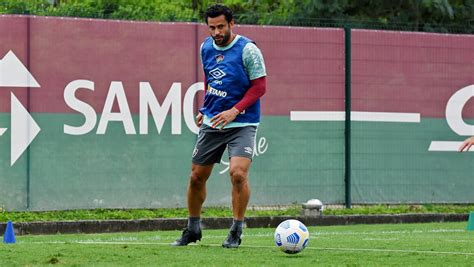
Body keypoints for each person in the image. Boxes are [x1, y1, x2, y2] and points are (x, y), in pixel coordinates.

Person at [171, 4, 267, 248]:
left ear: (232, 24)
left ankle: (236, 230)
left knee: (238, 174)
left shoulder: (248, 50)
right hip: (213, 120)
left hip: (243, 122)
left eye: (221, 26)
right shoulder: (205, 47)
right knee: (196, 177)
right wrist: (205, 108)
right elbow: (210, 78)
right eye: (212, 27)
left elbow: (259, 87)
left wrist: (235, 110)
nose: (216, 32)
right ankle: (193, 229)